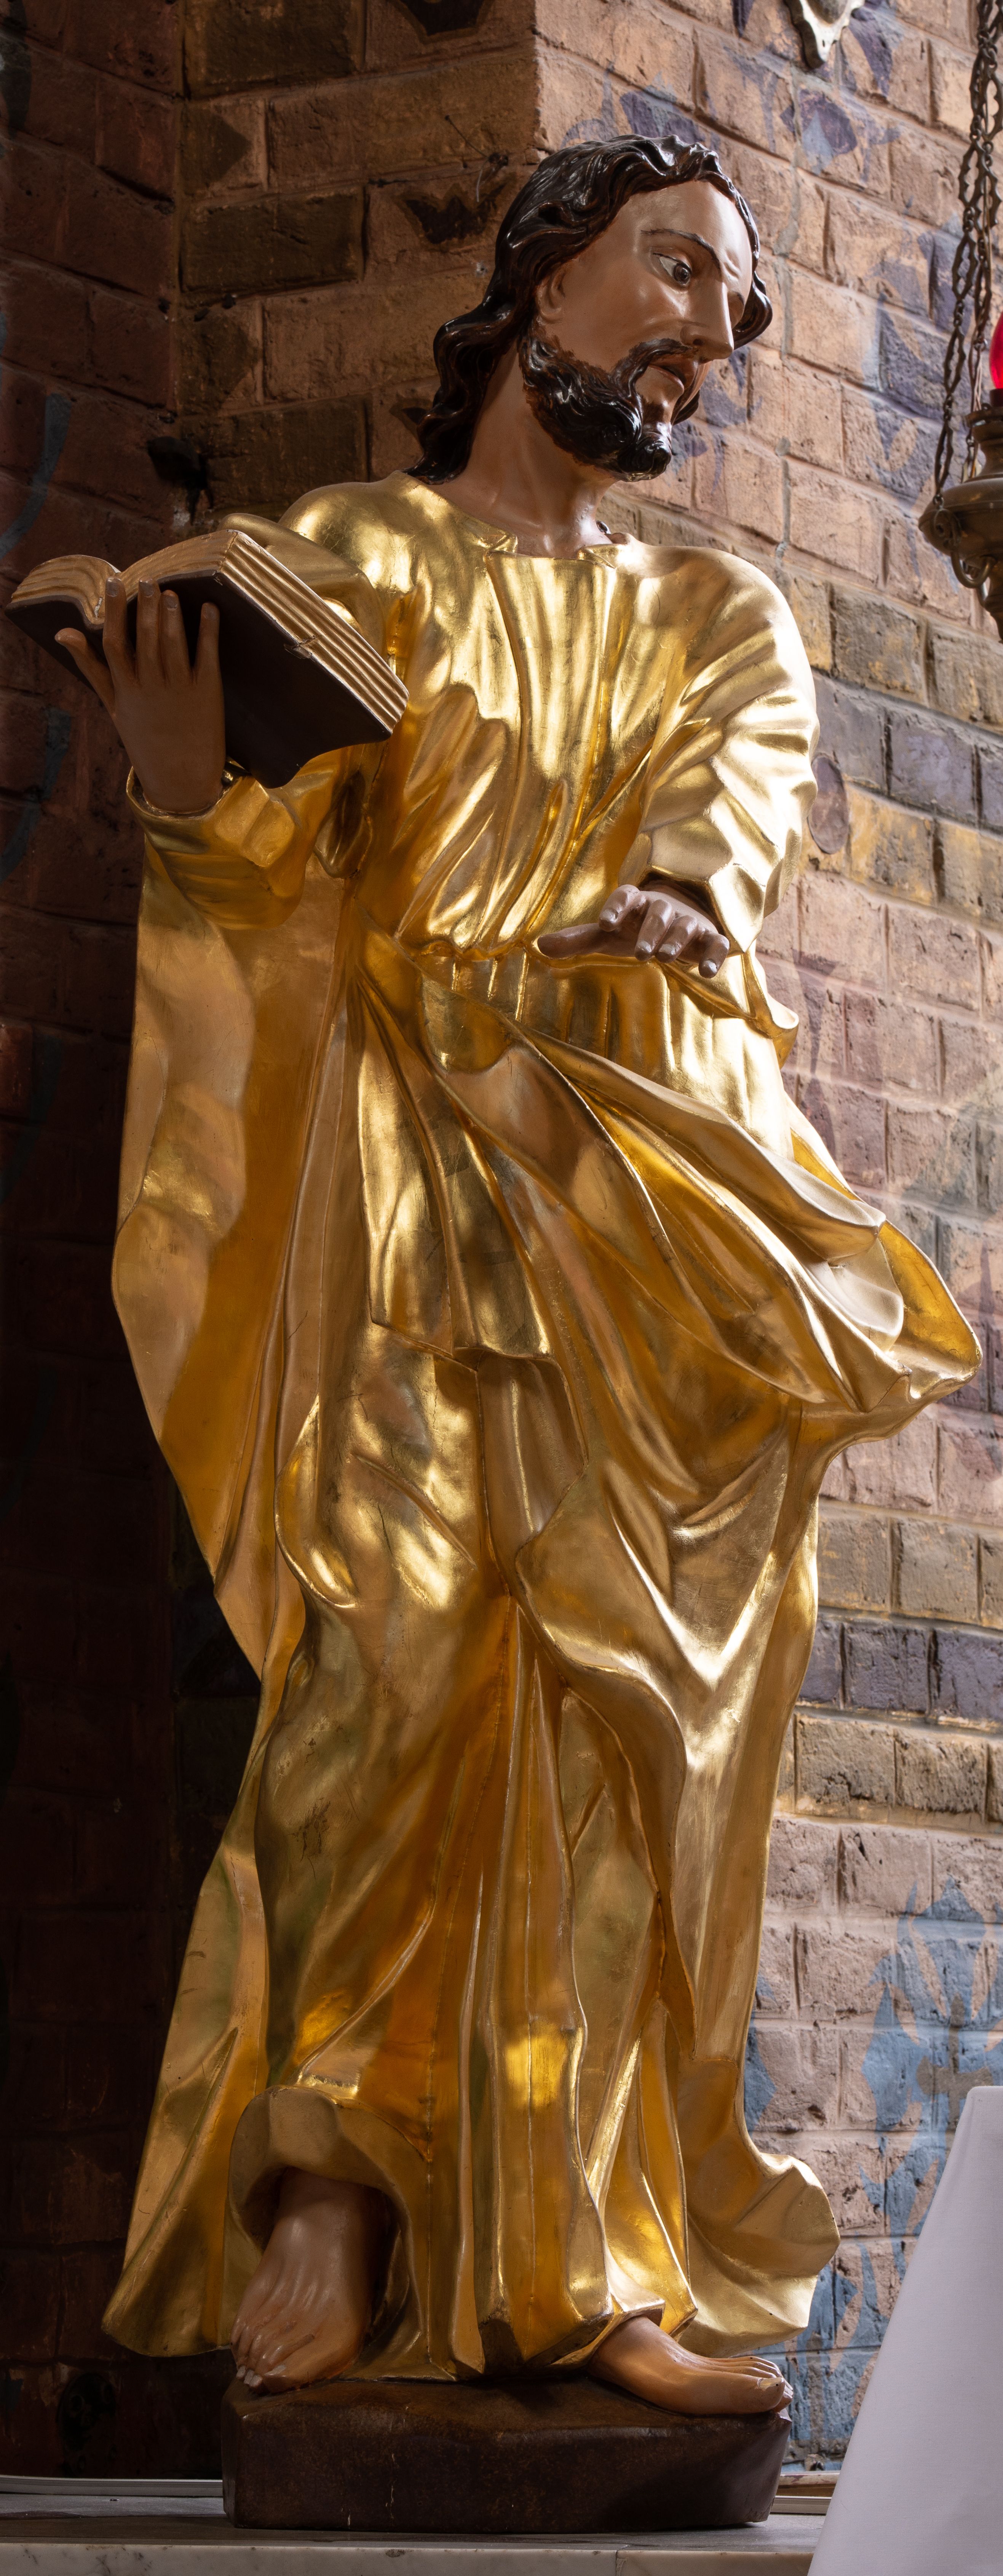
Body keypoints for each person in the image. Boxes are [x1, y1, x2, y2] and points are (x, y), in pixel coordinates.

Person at [60, 136, 977, 2414]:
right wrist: (185, 790)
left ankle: (596, 2253)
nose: (707, 336)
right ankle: (330, 2197)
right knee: (382, 1677)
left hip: (646, 1206)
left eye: (735, 311)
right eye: (675, 272)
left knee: (629, 1731)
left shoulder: (717, 614)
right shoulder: (356, 559)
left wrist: (680, 895)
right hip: (413, 1186)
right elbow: (267, 886)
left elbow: (726, 813)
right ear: (540, 284)